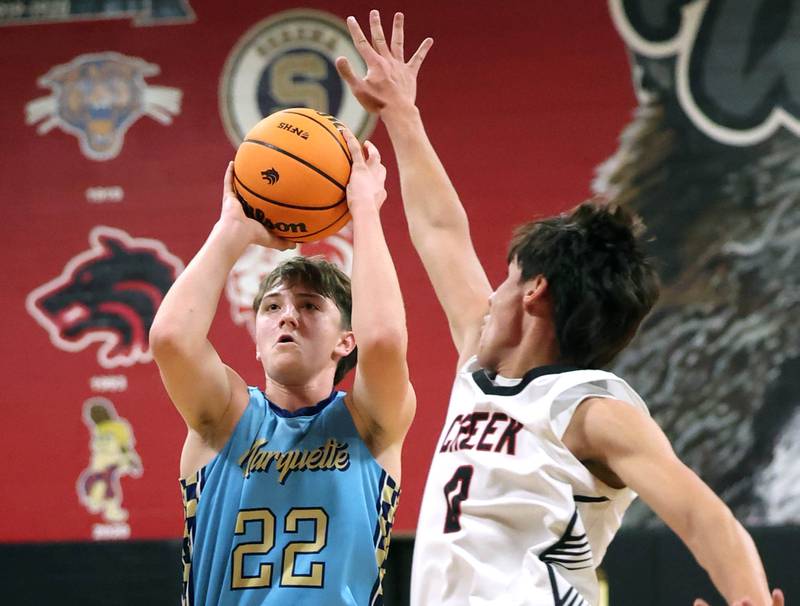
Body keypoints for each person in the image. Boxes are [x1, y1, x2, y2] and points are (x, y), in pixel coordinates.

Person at [335, 10, 784, 606]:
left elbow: (704, 517)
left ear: (535, 291)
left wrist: (749, 600)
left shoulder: (589, 408)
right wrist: (402, 115)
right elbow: (441, 232)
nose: (488, 292)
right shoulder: (480, 366)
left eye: (506, 276)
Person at [149, 128, 415, 605]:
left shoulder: (369, 422)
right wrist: (231, 231)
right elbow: (170, 338)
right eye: (271, 308)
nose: (287, 315)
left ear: (345, 341)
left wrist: (366, 211)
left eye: (310, 306)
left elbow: (386, 340)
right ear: (256, 340)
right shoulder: (225, 417)